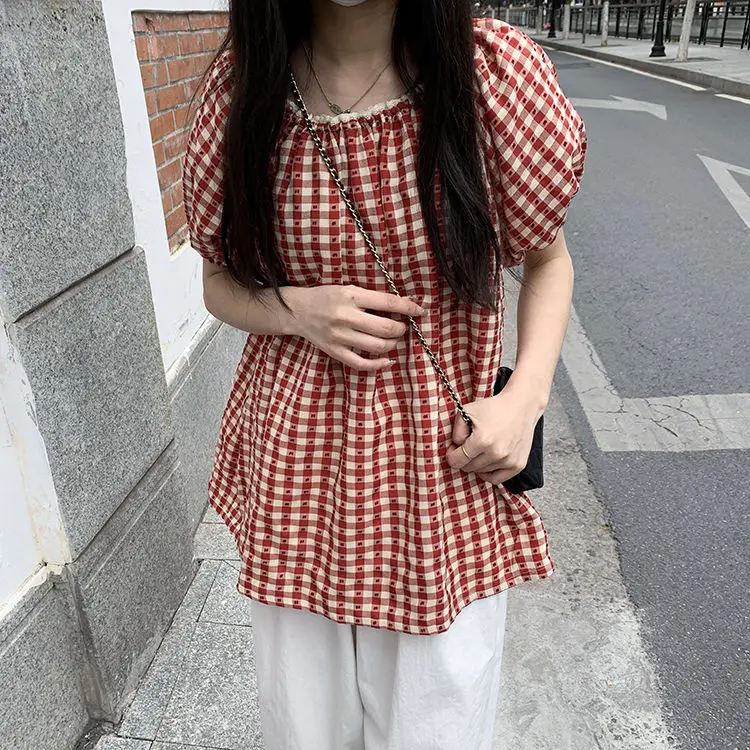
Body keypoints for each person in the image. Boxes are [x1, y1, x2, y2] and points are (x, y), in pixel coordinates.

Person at [182, 1, 586, 748]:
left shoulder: (491, 76)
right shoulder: (245, 88)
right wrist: (297, 311)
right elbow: (217, 282)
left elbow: (548, 261)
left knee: (438, 729)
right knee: (304, 733)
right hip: (296, 479)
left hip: (444, 479)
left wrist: (524, 403)